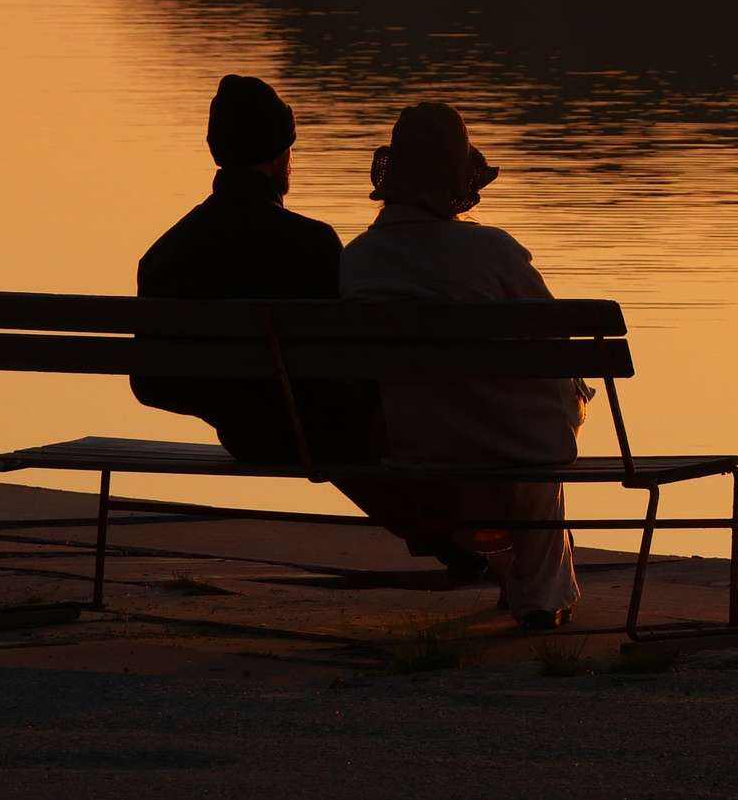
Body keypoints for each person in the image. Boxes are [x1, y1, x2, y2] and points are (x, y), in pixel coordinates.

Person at [132, 77, 477, 582]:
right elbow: (349, 365)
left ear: (216, 150)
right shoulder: (311, 243)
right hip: (320, 428)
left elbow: (151, 384)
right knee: (363, 426)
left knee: (325, 429)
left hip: (245, 433)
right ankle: (465, 537)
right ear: (280, 155)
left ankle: (450, 542)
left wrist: (227, 398)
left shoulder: (165, 253)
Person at [341, 102, 585, 629]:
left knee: (482, 411)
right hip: (515, 443)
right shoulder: (492, 249)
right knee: (547, 409)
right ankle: (540, 596)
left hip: (420, 445)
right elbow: (556, 340)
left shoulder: (357, 260)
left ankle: (517, 580)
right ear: (454, 177)